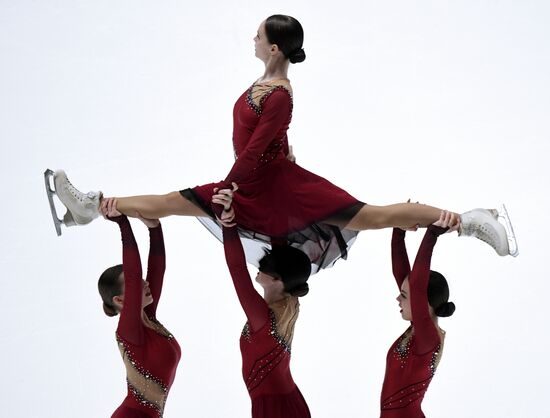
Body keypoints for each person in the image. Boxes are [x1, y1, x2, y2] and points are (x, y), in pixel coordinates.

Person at [47, 14, 518, 262]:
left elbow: (253, 151)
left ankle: (469, 220)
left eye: (257, 36)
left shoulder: (280, 95)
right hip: (265, 181)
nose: (251, 41)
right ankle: (93, 206)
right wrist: (269, 160)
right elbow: (261, 145)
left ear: (274, 47)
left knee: (373, 216)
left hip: (270, 186)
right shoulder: (267, 87)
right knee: (174, 201)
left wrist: (231, 186)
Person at [213, 187, 311, 417]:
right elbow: (280, 239)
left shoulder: (263, 319)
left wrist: (229, 228)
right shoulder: (290, 297)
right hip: (286, 403)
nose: (258, 266)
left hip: (273, 409)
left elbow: (237, 271)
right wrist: (280, 182)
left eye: (264, 267)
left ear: (277, 279)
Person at [98, 198, 181, 418]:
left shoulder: (149, 321)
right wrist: (122, 223)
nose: (144, 283)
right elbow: (135, 276)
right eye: (133, 284)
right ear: (120, 301)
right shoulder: (128, 331)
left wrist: (155, 230)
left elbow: (157, 271)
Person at [380, 211, 456, 418]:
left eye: (403, 295)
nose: (397, 299)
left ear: (424, 303)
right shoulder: (417, 328)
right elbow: (404, 275)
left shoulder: (428, 339)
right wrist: (398, 228)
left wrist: (431, 236)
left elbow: (416, 285)